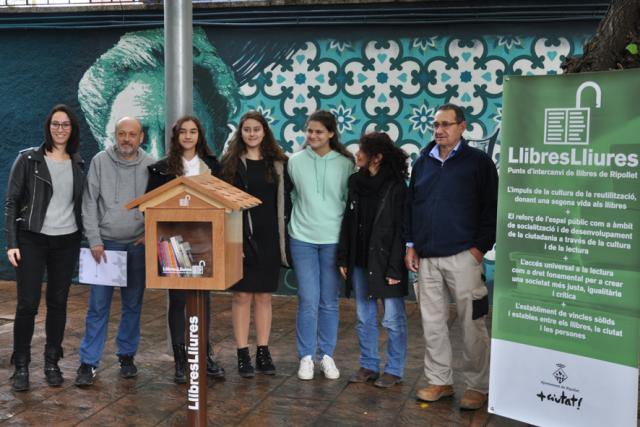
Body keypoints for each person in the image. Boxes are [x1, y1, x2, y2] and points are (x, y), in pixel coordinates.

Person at [405, 103, 498, 410]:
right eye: (436, 124)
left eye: (446, 124)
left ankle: (477, 386)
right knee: (432, 324)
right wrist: (411, 245)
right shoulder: (423, 162)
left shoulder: (478, 163)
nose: (439, 130)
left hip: (464, 257)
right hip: (427, 258)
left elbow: (491, 208)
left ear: (462, 127)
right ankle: (439, 381)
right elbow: (412, 205)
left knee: (473, 325)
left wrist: (479, 248)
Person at [4, 104, 84, 391]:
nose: (60, 129)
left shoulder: (78, 163)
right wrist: (12, 243)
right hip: (32, 239)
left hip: (67, 241)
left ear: (72, 130)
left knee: (58, 303)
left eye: (65, 125)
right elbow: (12, 202)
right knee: (27, 304)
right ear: (48, 127)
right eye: (55, 124)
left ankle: (52, 362)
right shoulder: (28, 159)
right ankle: (21, 365)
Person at [74, 116, 155, 387]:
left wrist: (149, 233)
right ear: (115, 135)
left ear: (141, 137)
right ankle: (88, 362)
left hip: (136, 246)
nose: (126, 139)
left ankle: (127, 356)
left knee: (133, 305)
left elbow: (157, 205)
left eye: (132, 134)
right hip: (105, 246)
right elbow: (89, 203)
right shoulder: (100, 161)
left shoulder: (151, 165)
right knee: (98, 307)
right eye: (122, 133)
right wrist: (94, 240)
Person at [145, 115, 225, 383]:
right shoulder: (161, 169)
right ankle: (181, 360)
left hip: (205, 241)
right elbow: (150, 207)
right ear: (176, 136)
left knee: (203, 300)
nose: (188, 136)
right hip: (174, 244)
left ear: (200, 135)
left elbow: (223, 203)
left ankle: (202, 354)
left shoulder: (213, 166)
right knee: (178, 300)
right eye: (183, 132)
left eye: (193, 131)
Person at [220, 111, 291, 378]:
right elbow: (224, 205)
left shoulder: (278, 163)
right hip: (240, 238)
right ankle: (242, 353)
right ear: (240, 132)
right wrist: (232, 241)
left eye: (256, 129)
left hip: (269, 237)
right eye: (247, 129)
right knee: (241, 296)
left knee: (263, 296)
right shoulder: (230, 163)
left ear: (264, 132)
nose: (251, 134)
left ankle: (263, 351)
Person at [337, 132, 408, 389]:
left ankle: (394, 369)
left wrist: (395, 268)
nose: (357, 154)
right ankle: (368, 364)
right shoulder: (356, 181)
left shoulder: (397, 187)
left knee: (393, 319)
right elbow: (348, 221)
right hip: (359, 260)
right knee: (364, 316)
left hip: (387, 262)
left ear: (376, 157)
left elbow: (402, 230)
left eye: (363, 151)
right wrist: (344, 256)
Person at [288, 110, 354, 380]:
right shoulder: (294, 161)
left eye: (319, 131)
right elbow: (293, 196)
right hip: (302, 238)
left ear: (331, 133)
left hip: (333, 240)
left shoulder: (346, 163)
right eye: (310, 131)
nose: (313, 136)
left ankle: (326, 354)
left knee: (329, 301)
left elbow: (347, 201)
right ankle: (306, 356)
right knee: (308, 299)